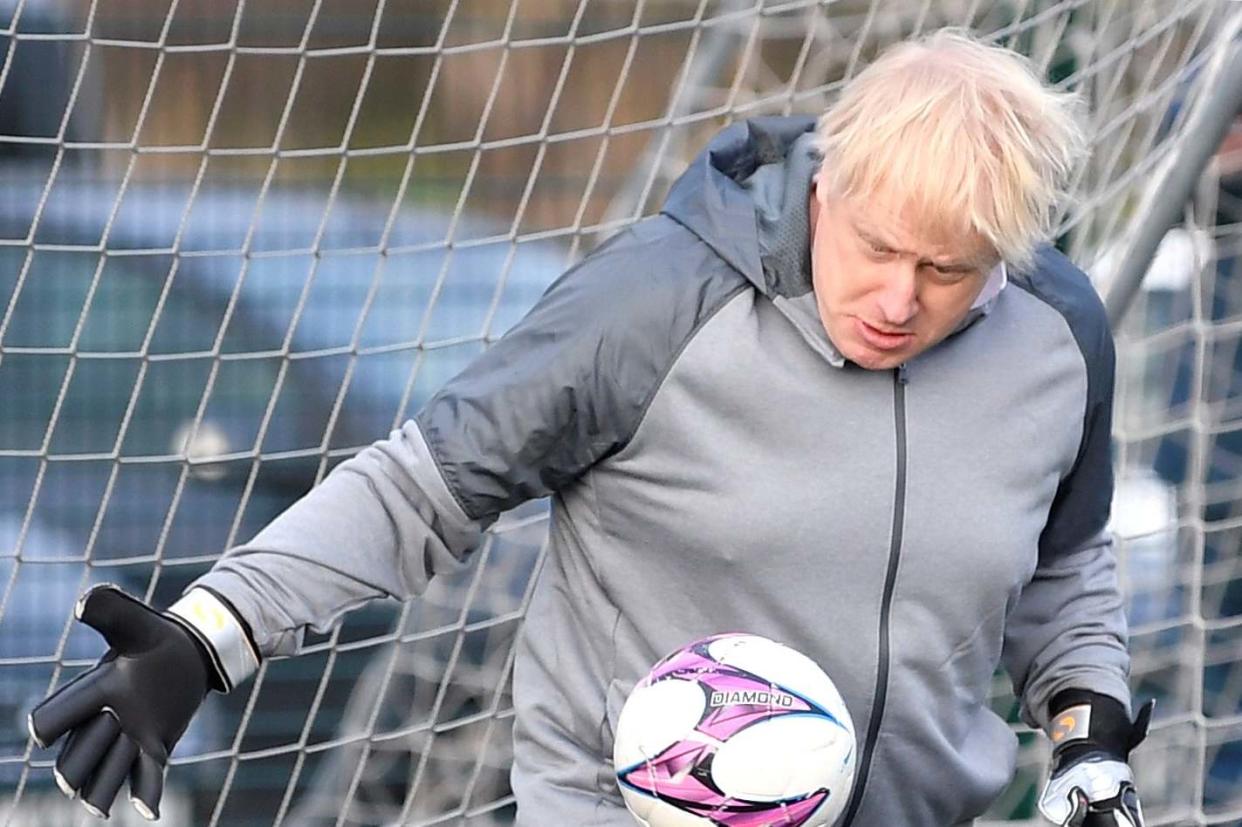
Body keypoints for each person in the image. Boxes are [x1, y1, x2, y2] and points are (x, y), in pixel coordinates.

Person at [28, 29, 1153, 826]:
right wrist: (210, 633)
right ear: (829, 182)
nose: (900, 298)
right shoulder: (657, 303)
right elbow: (422, 485)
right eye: (876, 247)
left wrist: (1086, 737)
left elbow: (1061, 562)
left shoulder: (1058, 340)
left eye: (947, 270)